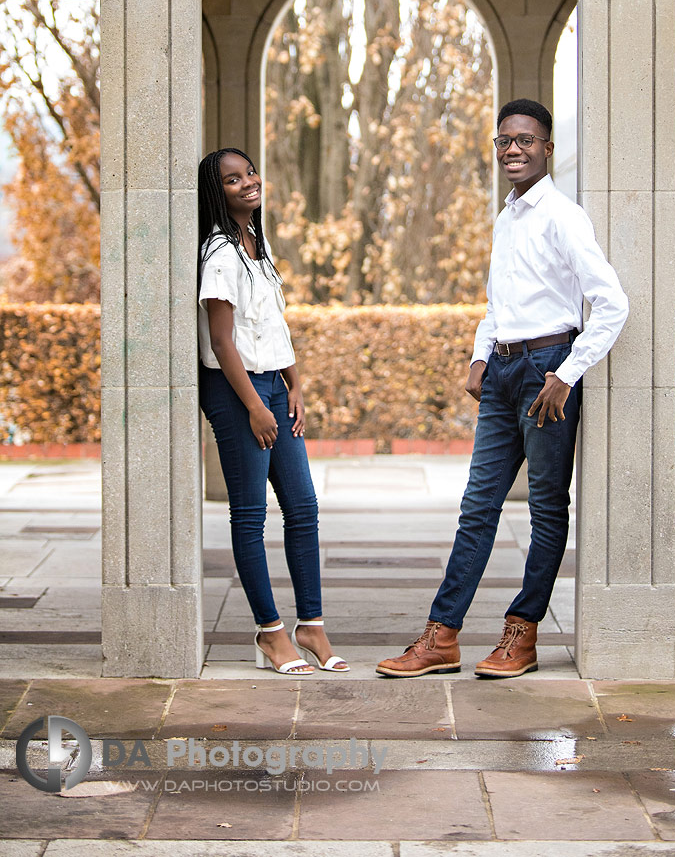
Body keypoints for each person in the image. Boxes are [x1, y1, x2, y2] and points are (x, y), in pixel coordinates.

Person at [376, 98, 629, 679]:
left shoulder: (564, 216)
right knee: (477, 507)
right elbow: (499, 300)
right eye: (504, 141)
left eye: (525, 140)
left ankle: (523, 634)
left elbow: (612, 303)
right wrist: (479, 354)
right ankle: (442, 637)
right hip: (503, 373)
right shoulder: (506, 216)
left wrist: (568, 373)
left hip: (547, 372)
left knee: (546, 508)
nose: (513, 149)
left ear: (547, 149)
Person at [198, 147, 348, 676]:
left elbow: (271, 327)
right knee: (251, 515)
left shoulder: (255, 246)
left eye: (250, 173)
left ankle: (312, 624)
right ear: (218, 193)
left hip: (272, 386)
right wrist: (257, 406)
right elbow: (222, 342)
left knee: (303, 506)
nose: (248, 183)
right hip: (237, 391)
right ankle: (270, 632)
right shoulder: (219, 253)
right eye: (233, 180)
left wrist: (294, 385)